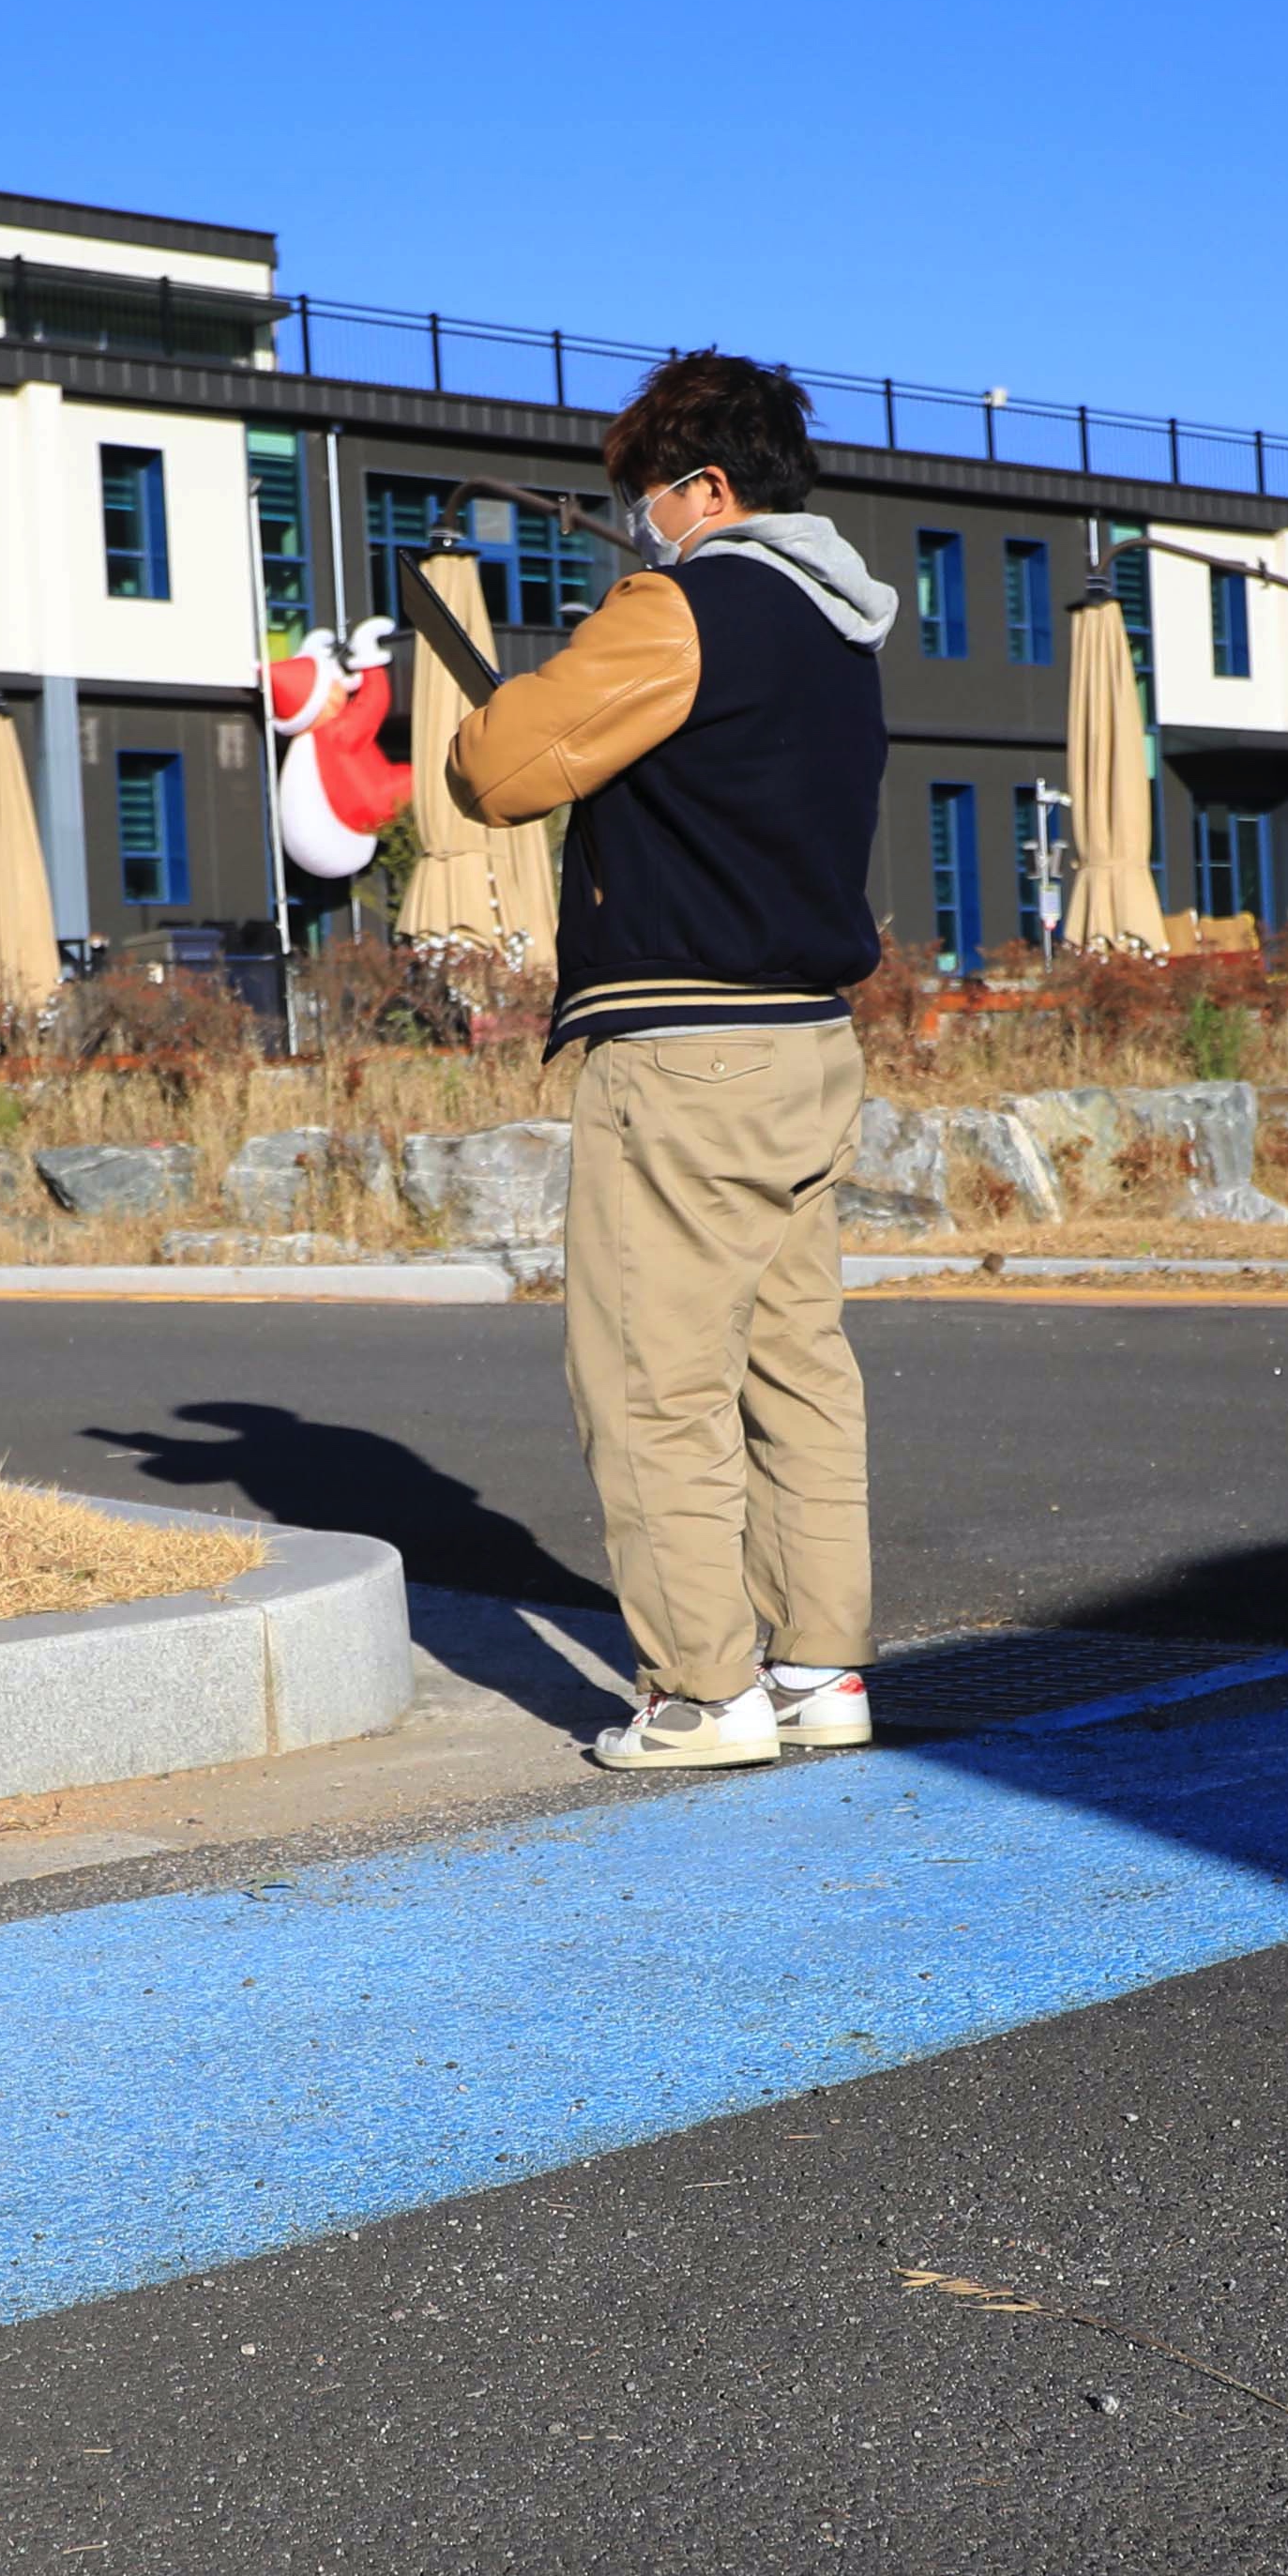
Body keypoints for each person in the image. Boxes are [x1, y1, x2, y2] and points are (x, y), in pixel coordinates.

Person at [443, 349, 898, 1770]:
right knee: (795, 1367)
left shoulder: (686, 606)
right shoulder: (840, 629)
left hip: (685, 1043)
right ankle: (821, 1670)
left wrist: (545, 674)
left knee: (653, 1378)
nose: (638, 521)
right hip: (808, 1042)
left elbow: (498, 767)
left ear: (706, 487)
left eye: (646, 496)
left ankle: (705, 1694)